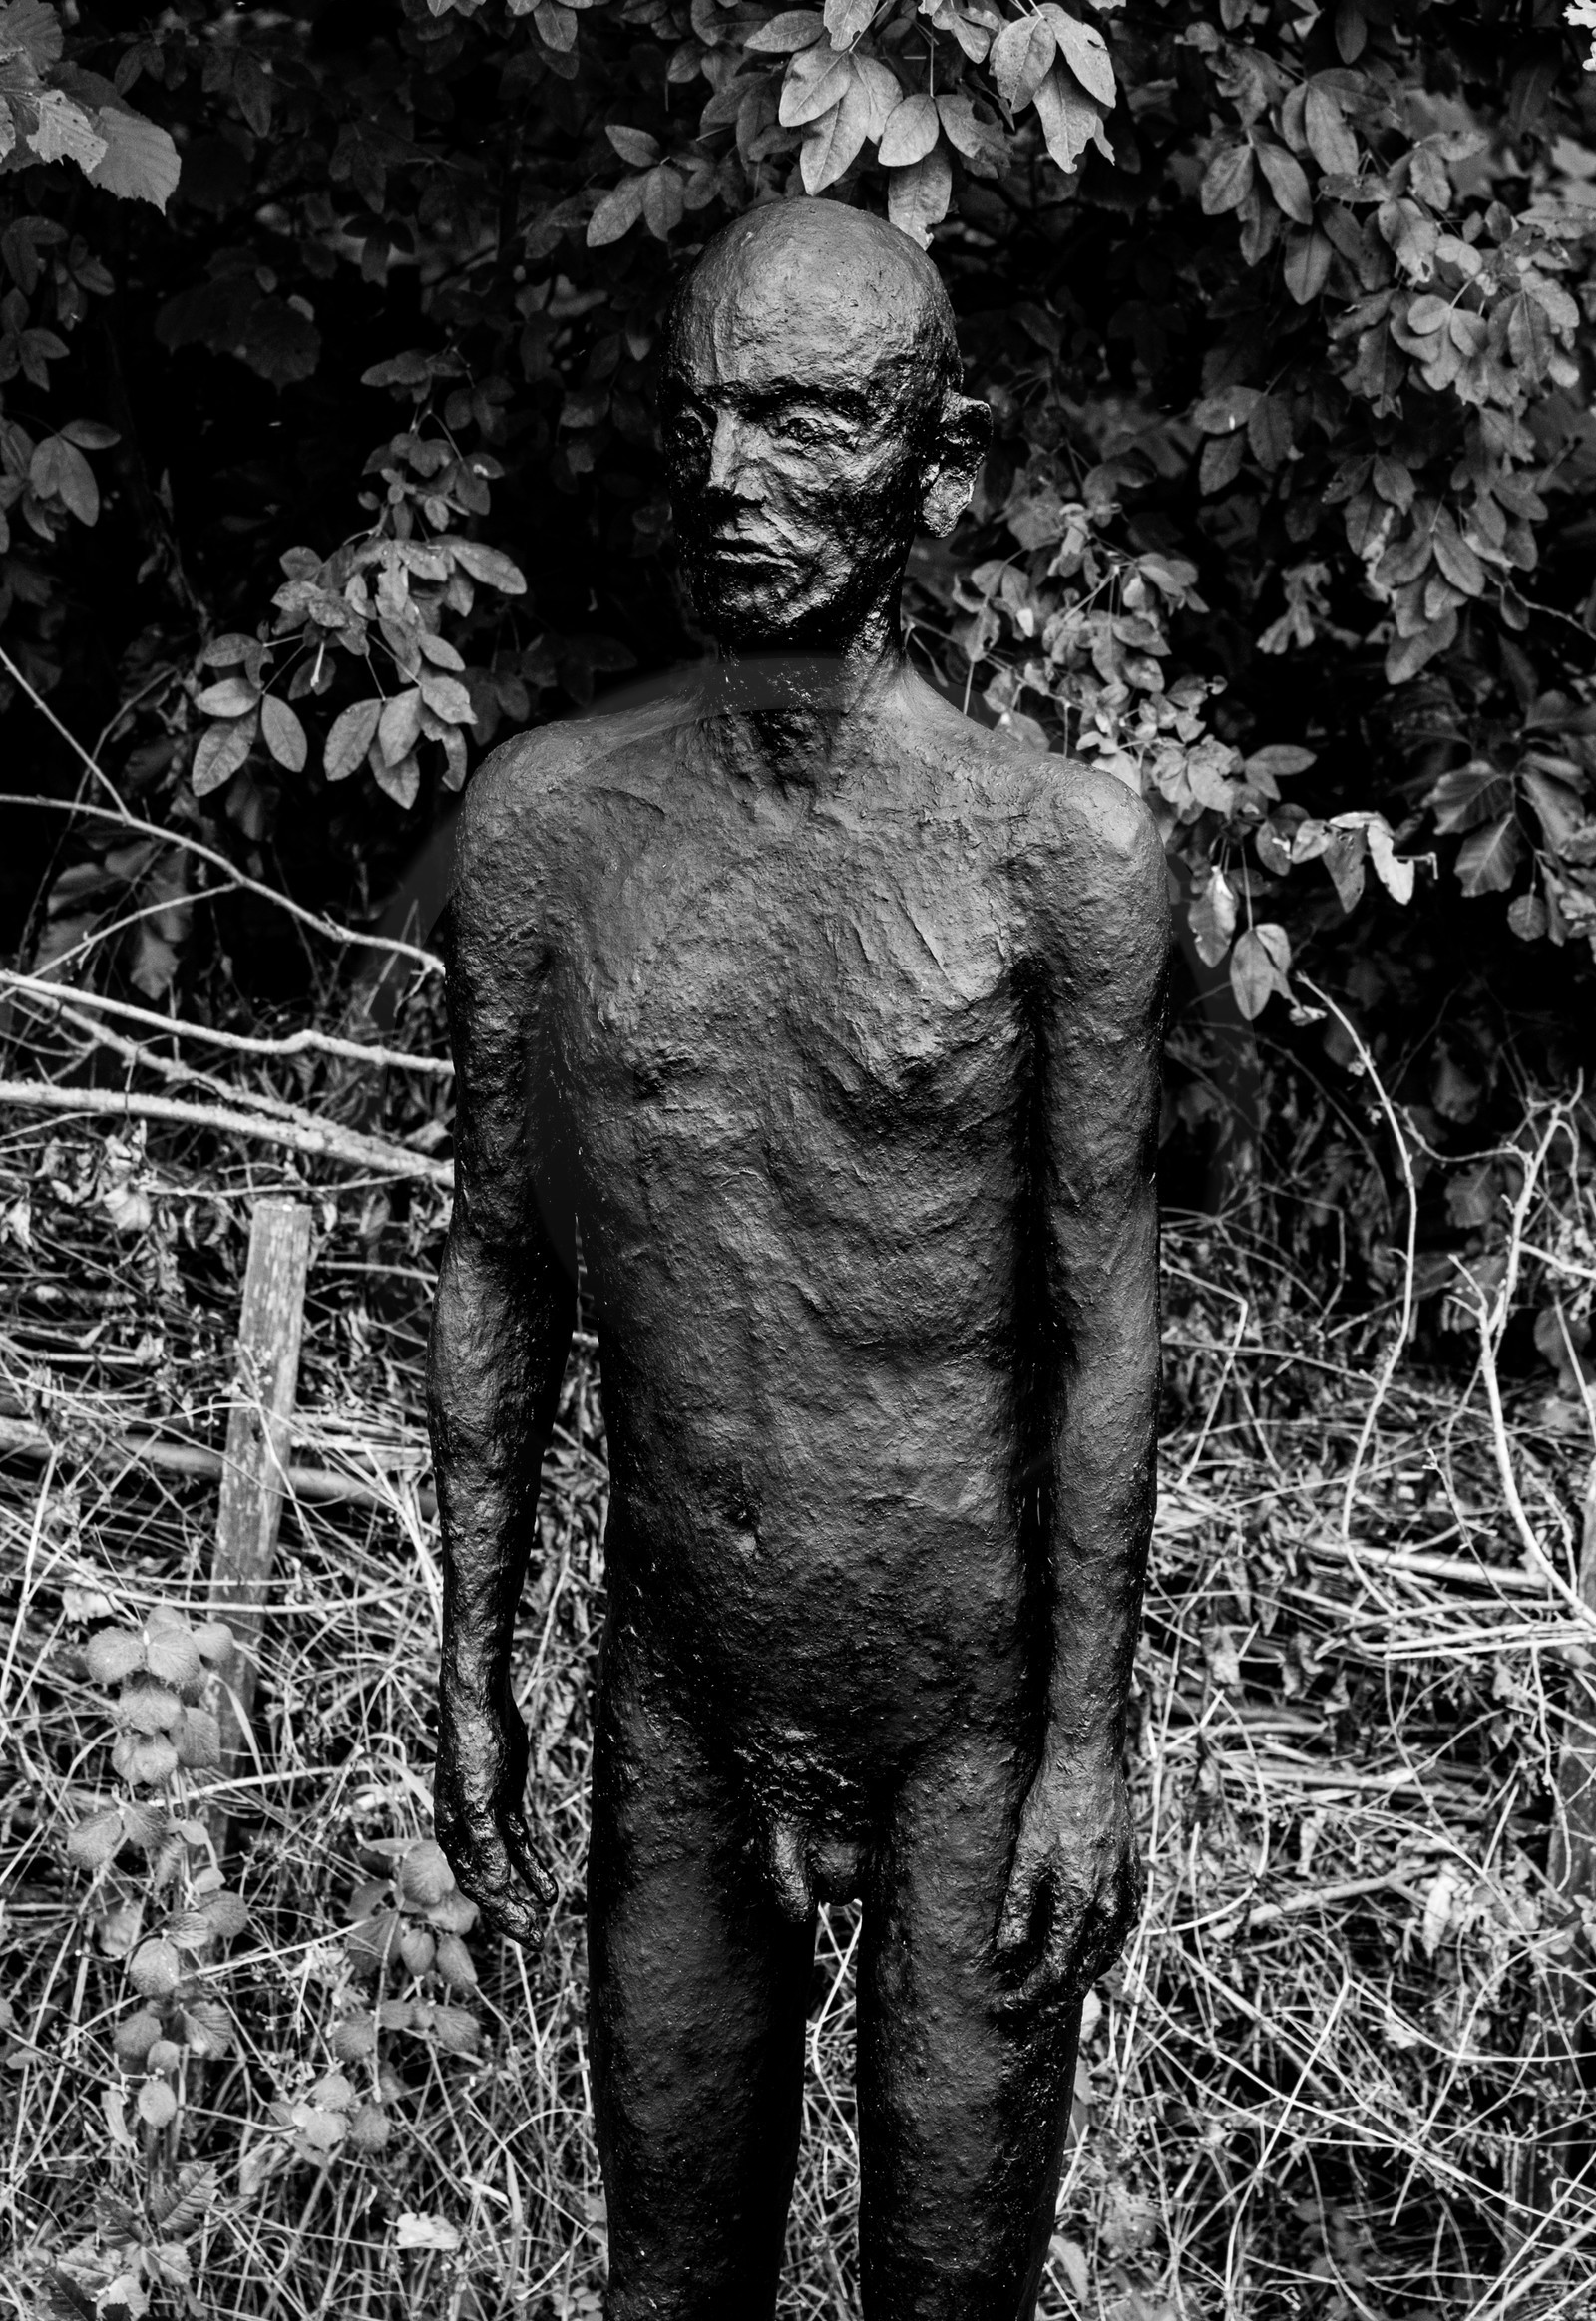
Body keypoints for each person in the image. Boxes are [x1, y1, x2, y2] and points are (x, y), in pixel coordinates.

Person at [427, 196, 1168, 2321]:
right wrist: (468, 1656)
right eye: (706, 419)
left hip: (957, 1710)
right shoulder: (550, 828)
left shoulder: (1063, 860)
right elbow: (493, 1259)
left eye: (808, 424)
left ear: (926, 467)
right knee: (669, 2285)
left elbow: (1105, 1313)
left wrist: (1086, 1741)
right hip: (678, 1690)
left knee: (945, 2289)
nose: (738, 480)